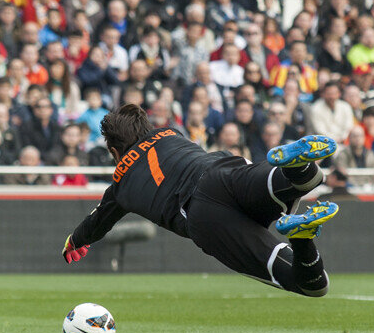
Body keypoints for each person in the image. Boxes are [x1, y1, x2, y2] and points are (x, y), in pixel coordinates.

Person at [62, 104, 340, 298]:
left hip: (204, 213)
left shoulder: (120, 186)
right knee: (309, 181)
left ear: (113, 150)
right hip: (225, 170)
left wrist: (76, 239)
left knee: (313, 286)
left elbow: (97, 221)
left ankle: (302, 238)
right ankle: (295, 165)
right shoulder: (170, 132)